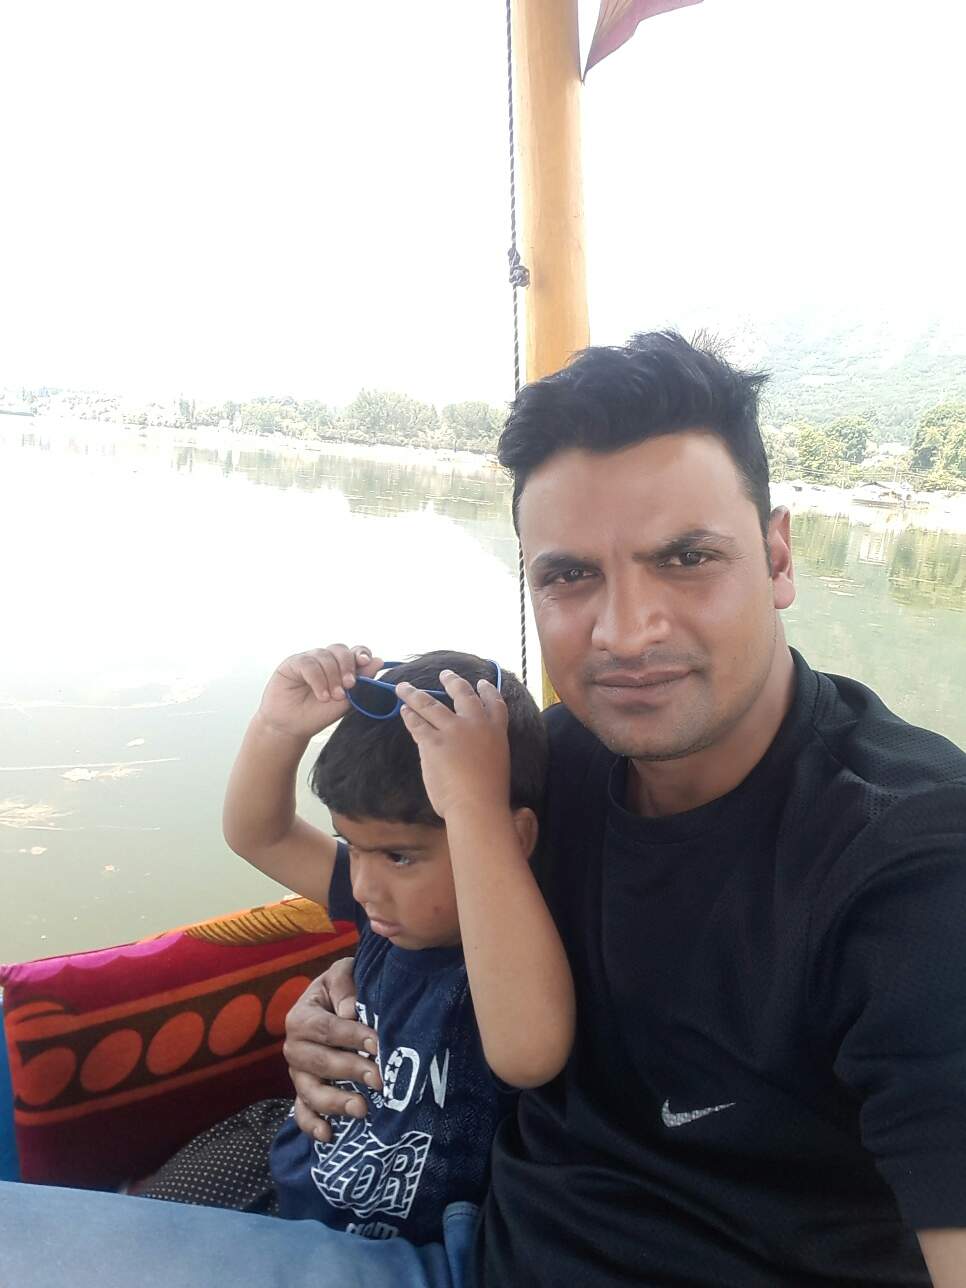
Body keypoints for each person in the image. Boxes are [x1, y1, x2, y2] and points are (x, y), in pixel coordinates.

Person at [3, 332, 966, 1288]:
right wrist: (344, 1005)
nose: (626, 632)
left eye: (686, 557)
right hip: (465, 1243)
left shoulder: (912, 864)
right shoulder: (544, 764)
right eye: (569, 574)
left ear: (779, 556)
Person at [135, 647, 570, 1248]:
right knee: (130, 1232)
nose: (363, 887)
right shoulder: (391, 912)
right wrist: (277, 728)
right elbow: (259, 834)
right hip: (295, 1164)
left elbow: (528, 1055)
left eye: (398, 856)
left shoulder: (514, 954)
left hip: (401, 1244)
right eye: (351, 845)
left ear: (510, 837)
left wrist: (473, 807)